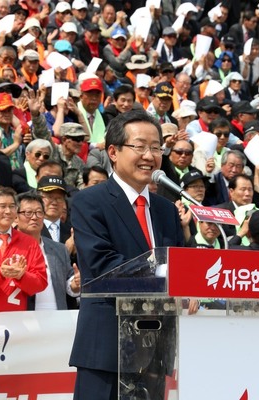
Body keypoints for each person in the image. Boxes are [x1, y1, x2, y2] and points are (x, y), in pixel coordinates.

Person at [69, 110, 184, 400]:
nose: (150, 155)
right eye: (140, 146)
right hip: (106, 347)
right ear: (113, 152)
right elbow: (103, 264)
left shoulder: (165, 209)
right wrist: (168, 276)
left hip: (155, 348)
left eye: (156, 147)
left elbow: (180, 262)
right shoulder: (89, 201)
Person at [15, 191, 79, 310]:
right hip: (23, 319)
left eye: (39, 213)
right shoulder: (8, 247)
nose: (34, 217)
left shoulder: (58, 249)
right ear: (16, 217)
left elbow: (69, 282)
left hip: (56, 319)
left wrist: (75, 284)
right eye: (28, 213)